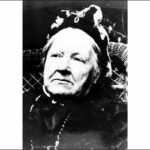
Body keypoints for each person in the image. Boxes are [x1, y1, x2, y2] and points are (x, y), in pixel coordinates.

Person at [23, 4, 127, 150]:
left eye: (78, 59)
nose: (63, 67)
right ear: (44, 62)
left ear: (97, 73)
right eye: (56, 55)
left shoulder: (118, 122)